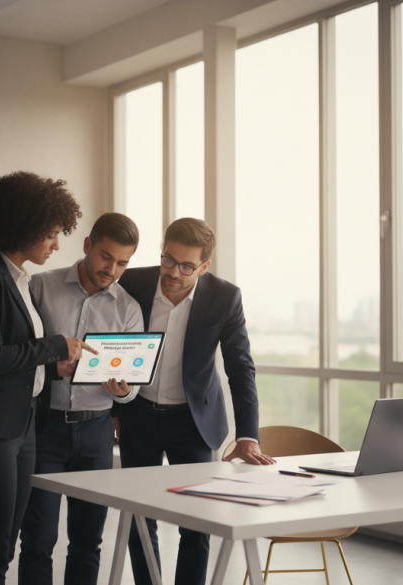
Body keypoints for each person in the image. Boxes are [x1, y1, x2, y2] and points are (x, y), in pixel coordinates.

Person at [0, 171, 97, 585]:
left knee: (5, 546)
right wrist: (55, 346)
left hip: (22, 427)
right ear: (23, 228)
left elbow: (16, 357)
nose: (56, 244)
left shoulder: (20, 280)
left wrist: (52, 366)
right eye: (50, 234)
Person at [115, 217, 276, 585]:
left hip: (193, 422)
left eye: (186, 266)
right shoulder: (133, 282)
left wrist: (248, 435)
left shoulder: (224, 297)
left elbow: (241, 368)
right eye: (168, 260)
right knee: (140, 518)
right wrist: (112, 408)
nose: (173, 272)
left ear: (204, 267)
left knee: (196, 524)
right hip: (137, 415)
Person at [17, 212, 144, 585]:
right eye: (107, 257)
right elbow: (21, 352)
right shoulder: (39, 287)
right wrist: (51, 366)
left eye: (123, 262)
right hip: (44, 430)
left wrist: (124, 390)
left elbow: (132, 383)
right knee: (38, 539)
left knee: (88, 539)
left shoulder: (128, 308)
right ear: (88, 246)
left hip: (97, 434)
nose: (113, 269)